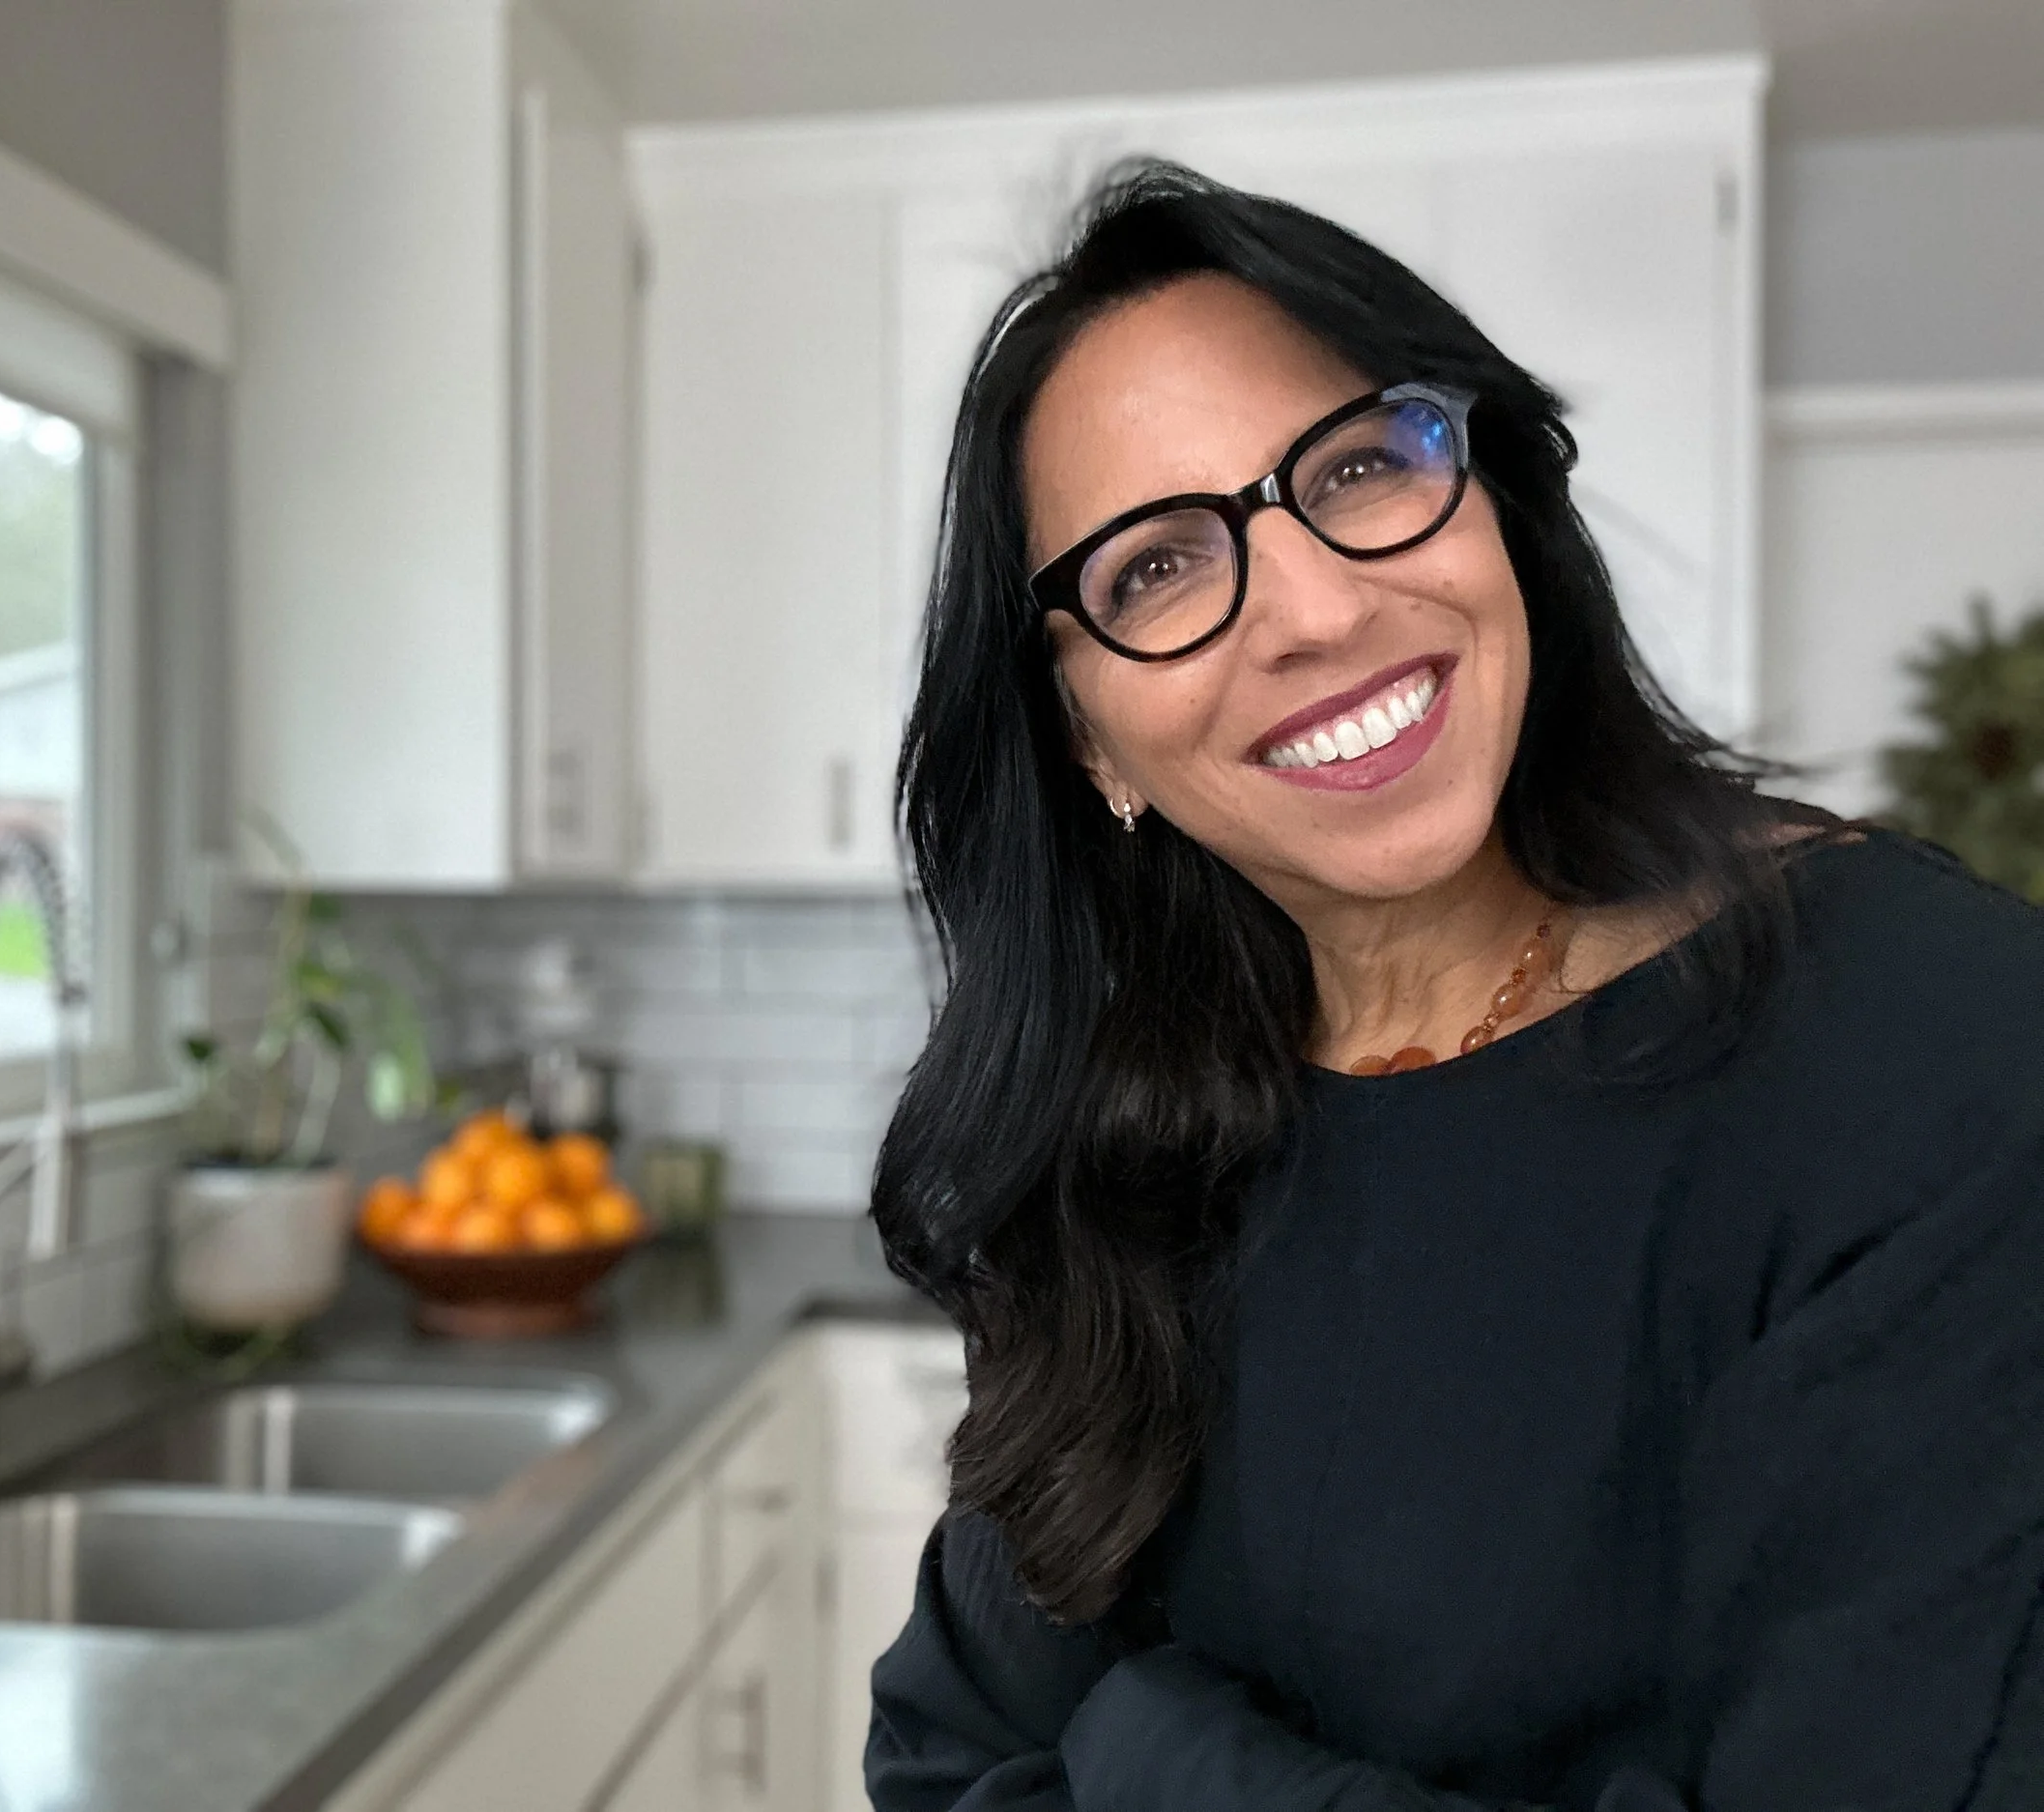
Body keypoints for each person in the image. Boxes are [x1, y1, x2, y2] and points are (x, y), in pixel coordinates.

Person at [864, 159, 2044, 1811]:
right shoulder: (1130, 1143)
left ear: (1490, 493)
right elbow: (945, 1752)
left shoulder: (1932, 1039)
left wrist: (1149, 1744)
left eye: (1357, 465)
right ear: (1085, 745)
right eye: (1154, 569)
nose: (1318, 607)